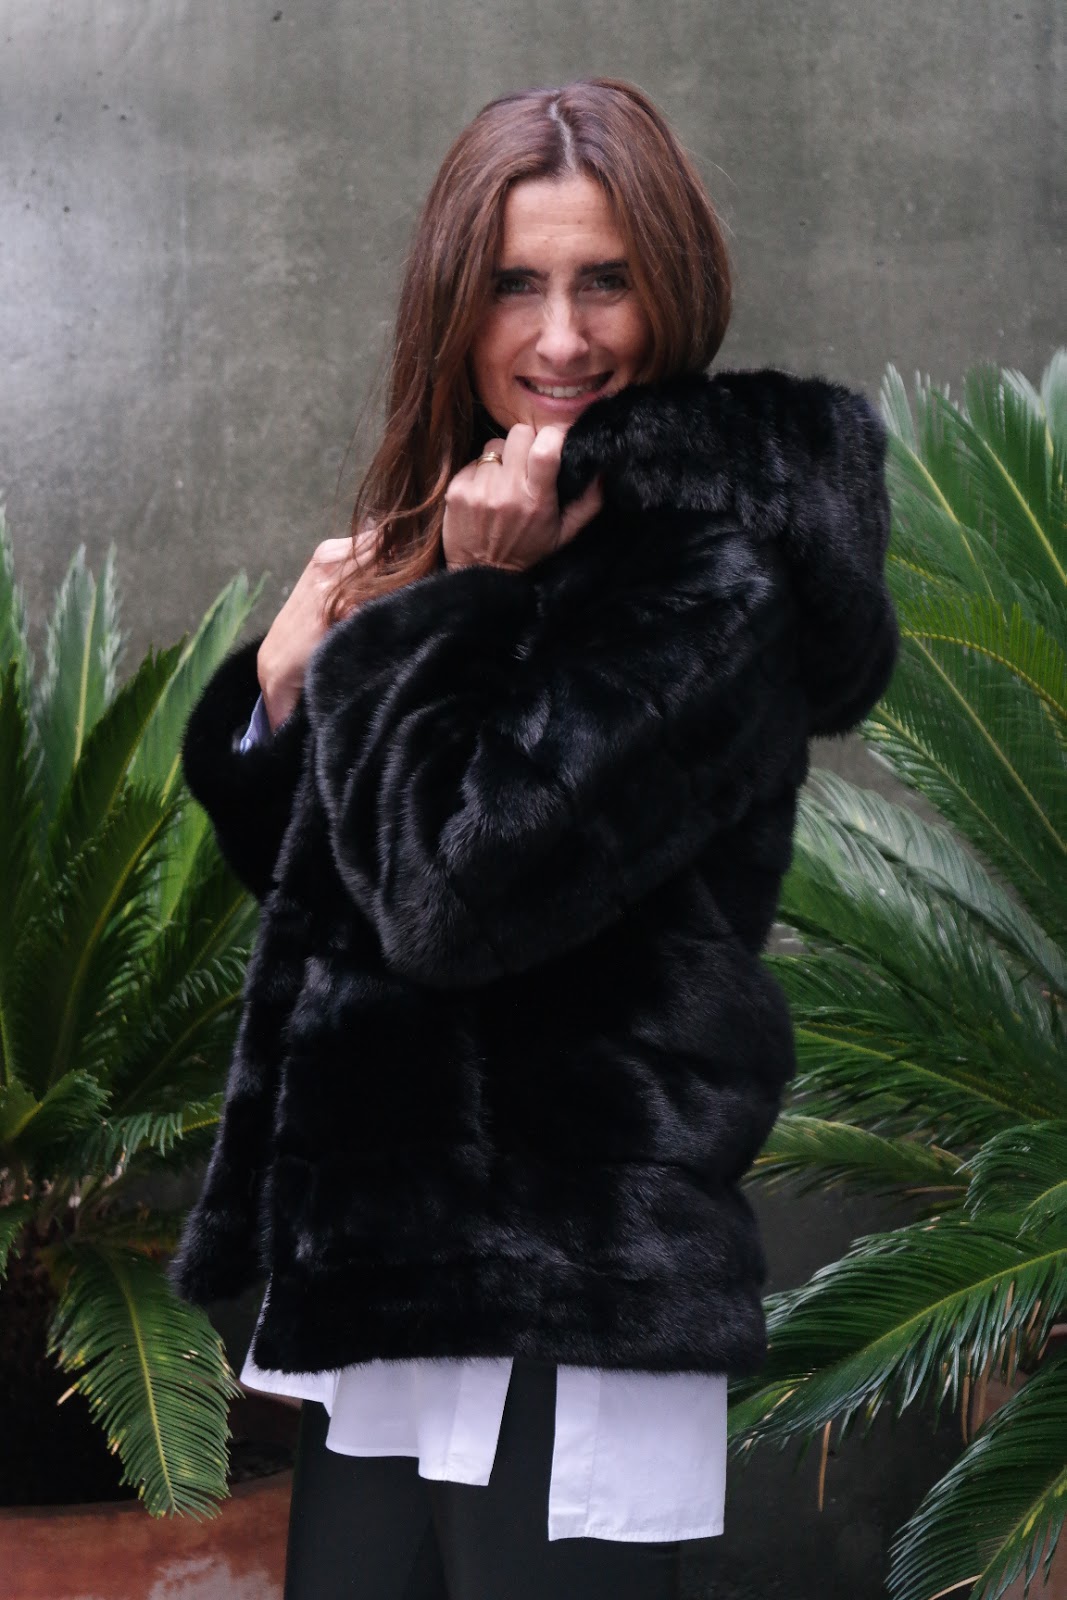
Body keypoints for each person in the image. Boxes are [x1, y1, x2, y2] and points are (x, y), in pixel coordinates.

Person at [170, 77, 898, 1600]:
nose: (561, 336)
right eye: (516, 284)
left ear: (672, 287)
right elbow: (345, 888)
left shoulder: (710, 575)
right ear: (456, 302)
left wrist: (457, 612)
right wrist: (281, 697)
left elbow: (454, 890)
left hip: (576, 1275)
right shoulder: (497, 513)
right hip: (396, 1269)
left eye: (604, 281)